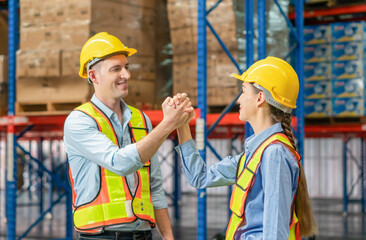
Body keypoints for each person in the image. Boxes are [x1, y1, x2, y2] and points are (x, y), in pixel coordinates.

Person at [64, 32, 192, 240]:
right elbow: (119, 162)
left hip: (142, 235)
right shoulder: (79, 121)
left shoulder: (140, 120)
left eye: (126, 67)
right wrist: (168, 124)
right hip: (100, 237)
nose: (126, 75)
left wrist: (168, 237)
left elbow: (154, 185)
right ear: (93, 76)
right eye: (116, 69)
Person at [173, 57, 317, 239]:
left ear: (260, 98)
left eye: (243, 91)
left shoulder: (274, 154)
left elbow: (275, 233)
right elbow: (199, 177)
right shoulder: (255, 153)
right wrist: (182, 125)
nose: (239, 99)